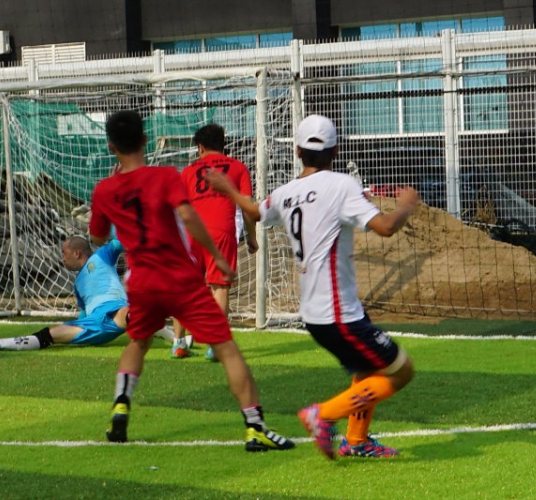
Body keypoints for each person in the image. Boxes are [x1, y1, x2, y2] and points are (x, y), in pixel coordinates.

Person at [207, 114, 417, 459]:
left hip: (314, 314)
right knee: (401, 371)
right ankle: (325, 415)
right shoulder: (342, 185)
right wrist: (407, 205)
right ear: (334, 152)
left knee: (366, 369)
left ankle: (357, 441)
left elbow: (256, 212)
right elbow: (385, 227)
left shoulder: (286, 193)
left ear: (297, 151)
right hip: (339, 314)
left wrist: (228, 188)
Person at [89, 110, 294, 452]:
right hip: (179, 279)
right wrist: (214, 256)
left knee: (137, 343)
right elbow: (188, 216)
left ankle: (122, 404)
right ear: (144, 139)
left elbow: (96, 239)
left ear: (111, 146)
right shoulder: (166, 176)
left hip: (141, 283)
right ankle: (255, 427)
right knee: (227, 349)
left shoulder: (105, 190)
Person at [0, 235, 167, 351]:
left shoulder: (101, 256)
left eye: (64, 253)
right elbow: (83, 313)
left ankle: (176, 338)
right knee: (50, 334)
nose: (62, 258)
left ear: (77, 253)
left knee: (132, 313)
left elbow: (120, 242)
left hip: (116, 311)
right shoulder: (78, 285)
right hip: (94, 324)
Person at [171, 123, 258, 361]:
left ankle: (179, 343)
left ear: (200, 147)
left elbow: (179, 208)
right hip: (221, 231)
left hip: (192, 234)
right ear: (223, 143)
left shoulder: (188, 171)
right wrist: (251, 237)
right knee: (219, 287)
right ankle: (216, 345)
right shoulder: (238, 167)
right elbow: (247, 207)